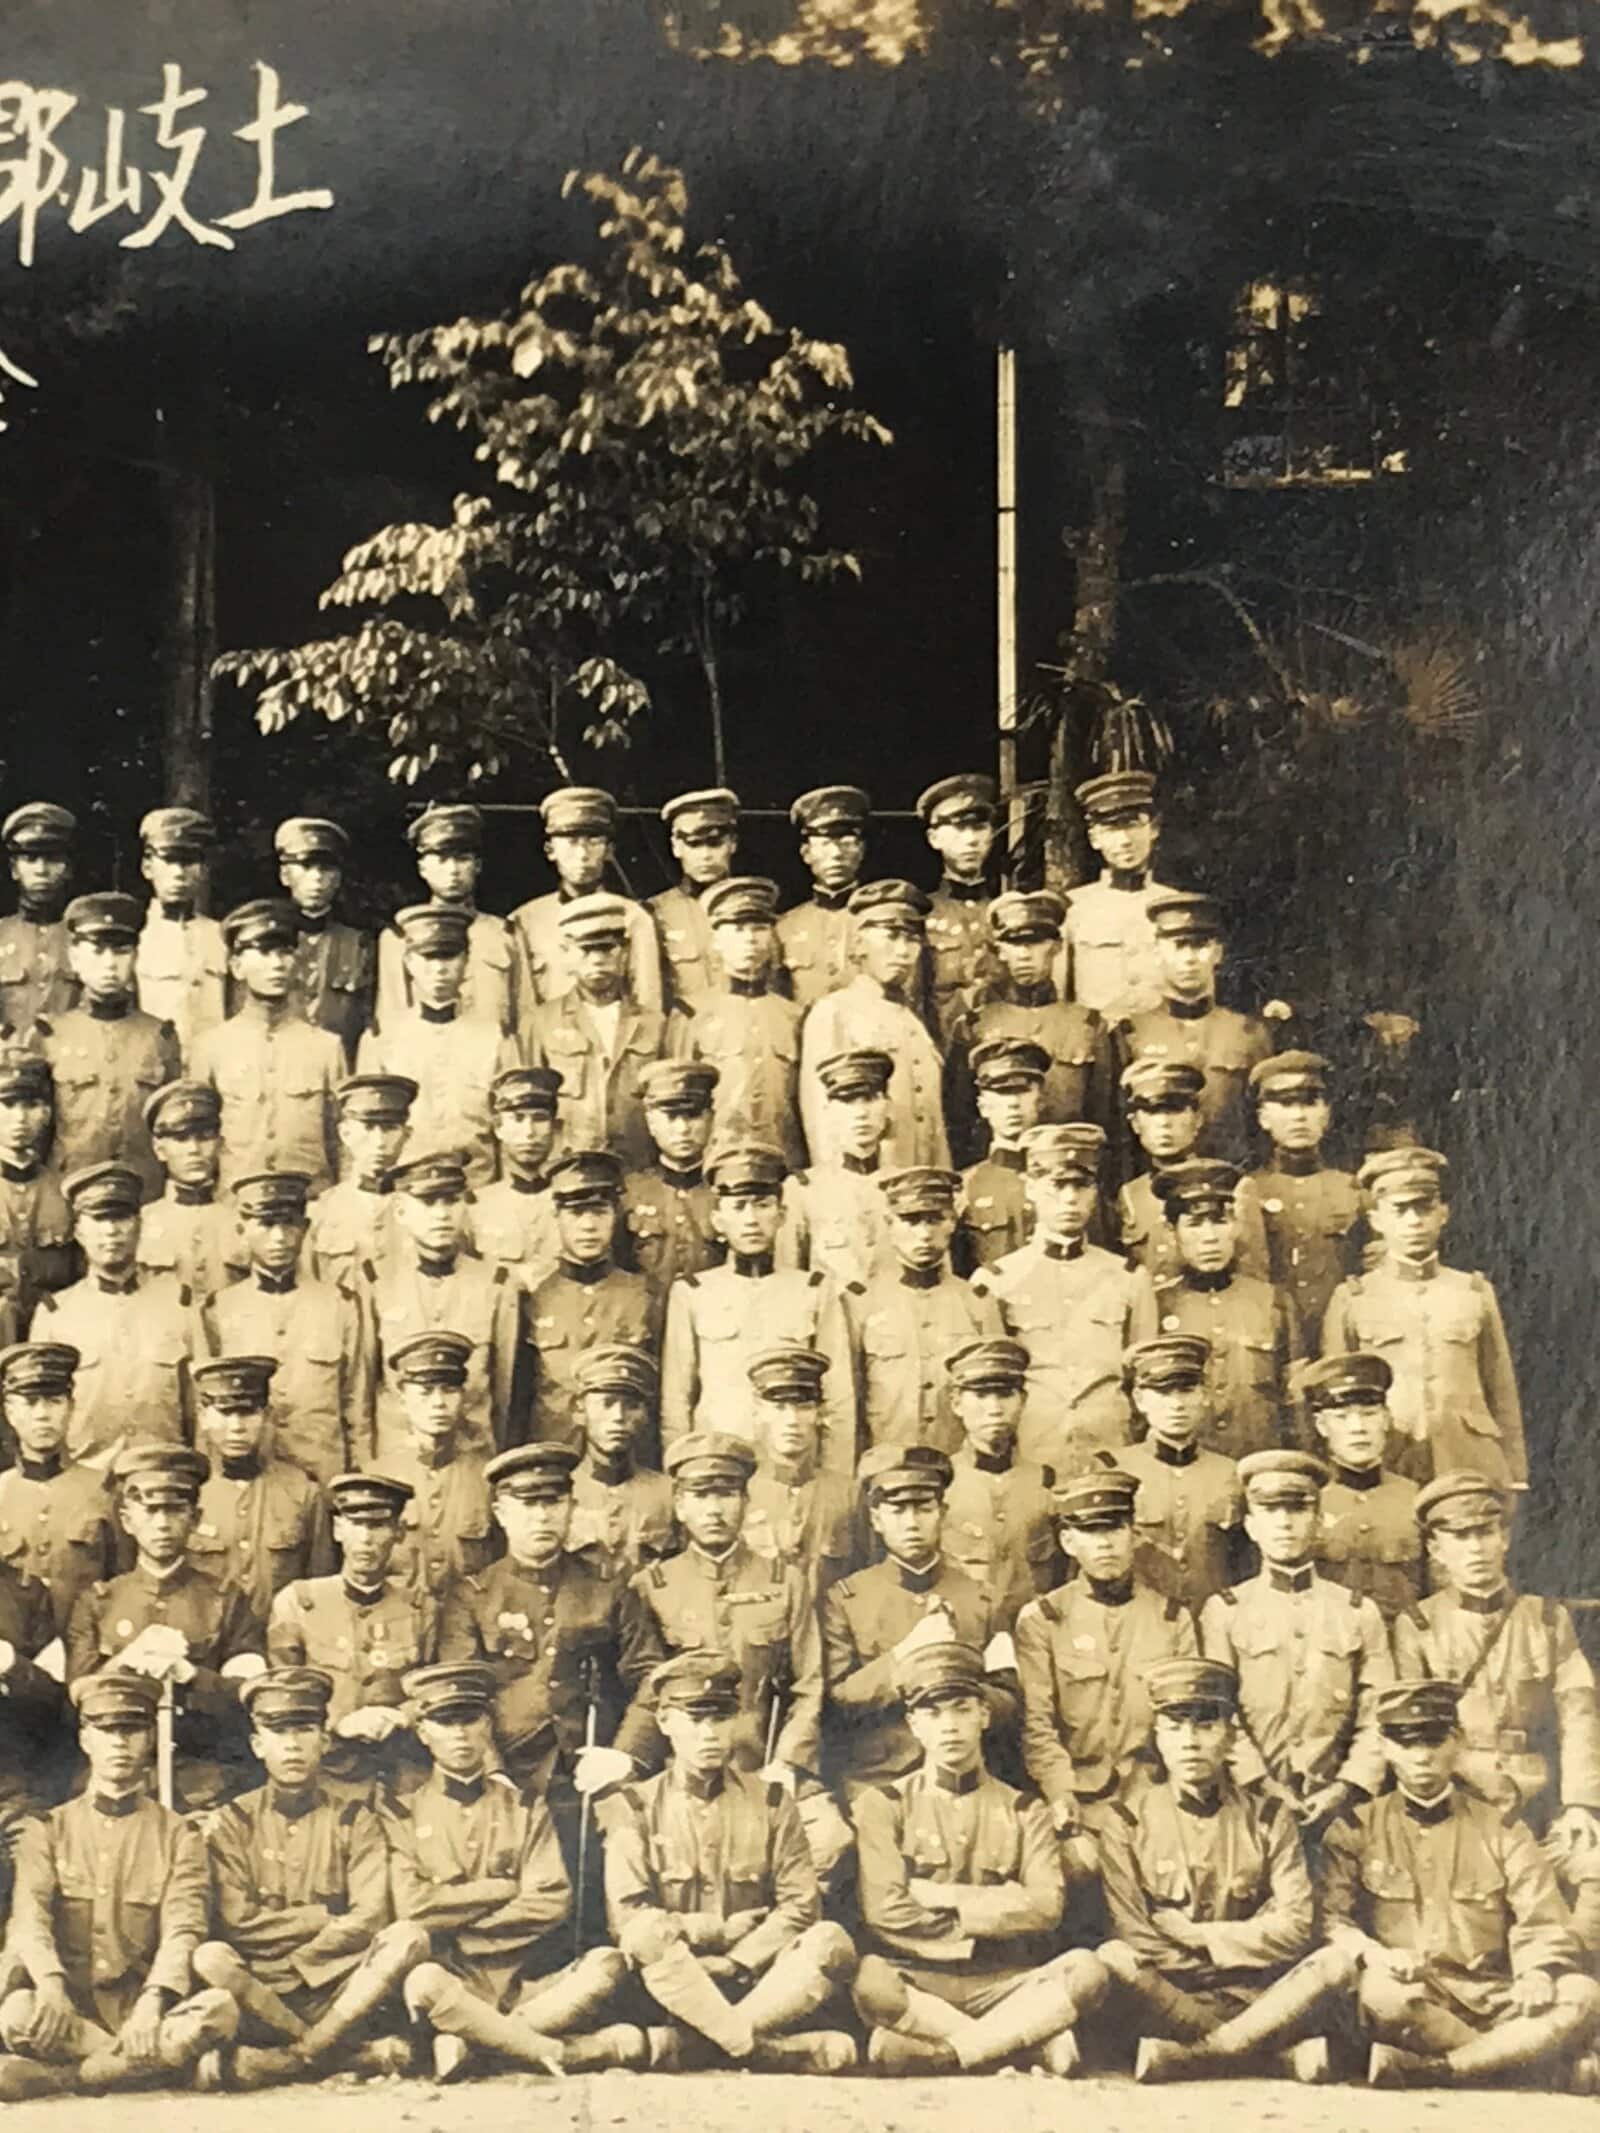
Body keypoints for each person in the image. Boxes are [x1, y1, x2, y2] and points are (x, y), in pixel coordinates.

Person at [1321, 1676, 1600, 2089]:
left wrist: (1537, 1972)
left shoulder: (1504, 1828)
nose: (1421, 1757)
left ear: (1457, 1742)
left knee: (1581, 1993)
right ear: (1384, 1747)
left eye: (1433, 1740)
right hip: (1413, 1992)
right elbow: (1332, 1921)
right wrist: (1375, 1954)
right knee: (1379, 1996)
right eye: (1405, 1741)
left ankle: (1438, 2070)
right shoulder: (1355, 1829)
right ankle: (1531, 2064)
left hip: (1492, 1993)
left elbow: (1539, 1915)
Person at [851, 1638, 1105, 2075]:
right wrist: (998, 1904)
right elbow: (885, 1911)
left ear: (984, 1715)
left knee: (1088, 1972)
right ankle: (1020, 2045)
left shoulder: (1025, 1809)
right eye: (933, 1713)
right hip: (920, 1976)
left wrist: (936, 1895)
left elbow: (1046, 1909)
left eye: (962, 1709)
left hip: (1006, 1978)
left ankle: (946, 2054)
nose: (949, 1726)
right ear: (914, 1724)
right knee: (870, 1982)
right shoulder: (884, 1804)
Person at [597, 1650, 859, 2071]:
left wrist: (737, 1962)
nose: (709, 1734)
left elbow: (801, 1906)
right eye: (695, 1720)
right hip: (678, 1981)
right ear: (664, 1722)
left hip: (757, 1981)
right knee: (644, 1932)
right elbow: (628, 1916)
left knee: (830, 1942)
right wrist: (708, 1934)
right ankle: (761, 2050)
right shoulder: (633, 1805)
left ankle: (700, 2043)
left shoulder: (773, 1802)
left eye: (720, 1718)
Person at [1089, 1657, 1336, 2084]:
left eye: (1206, 1725)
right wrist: (1215, 1963)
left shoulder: (1269, 1817)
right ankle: (1266, 2056)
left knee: (1335, 1964)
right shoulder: (1126, 1819)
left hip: (1254, 1992)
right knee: (1114, 1958)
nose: (1190, 1741)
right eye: (1175, 1726)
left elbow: (1297, 1926)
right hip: (1169, 1995)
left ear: (1231, 1736)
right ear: (1158, 1738)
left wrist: (1201, 1937)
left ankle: (1199, 2055)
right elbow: (1133, 1932)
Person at [0, 1668, 239, 2103]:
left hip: (145, 2011)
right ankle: (154, 2066)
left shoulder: (179, 1834)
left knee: (218, 2010)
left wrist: (153, 2002)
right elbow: (29, 1919)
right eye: (105, 1730)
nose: (119, 1743)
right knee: (16, 2013)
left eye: (131, 1730)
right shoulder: (47, 1830)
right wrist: (51, 1987)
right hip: (73, 2013)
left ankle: (68, 2080)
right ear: (85, 1739)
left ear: (149, 1739)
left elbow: (184, 1929)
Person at [192, 1664, 419, 2090]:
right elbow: (238, 1920)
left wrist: (304, 1962)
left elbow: (370, 1916)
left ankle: (296, 2057)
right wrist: (321, 1918)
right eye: (279, 1732)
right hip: (262, 1988)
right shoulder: (233, 1822)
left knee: (407, 1937)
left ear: (325, 1740)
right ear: (259, 1745)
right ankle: (342, 2053)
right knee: (211, 1958)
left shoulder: (356, 1819)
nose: (293, 1746)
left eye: (304, 1730)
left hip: (339, 1984)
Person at [382, 1660, 607, 2081]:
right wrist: (504, 1888)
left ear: (488, 1725)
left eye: (470, 1718)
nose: (460, 1733)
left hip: (520, 1985)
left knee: (606, 1965)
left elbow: (551, 1900)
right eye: (444, 1721)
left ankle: (481, 2039)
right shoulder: (401, 1813)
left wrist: (460, 1928)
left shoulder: (525, 1807)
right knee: (424, 1981)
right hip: (448, 1977)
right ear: (423, 1732)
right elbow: (413, 1907)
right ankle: (537, 2047)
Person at [437, 1440, 658, 1814]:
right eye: (527, 1504)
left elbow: (650, 1676)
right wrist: (491, 1770)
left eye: (553, 1502)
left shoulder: (608, 1587)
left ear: (571, 1508)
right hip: (510, 1776)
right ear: (500, 1513)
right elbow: (461, 1695)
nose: (542, 1517)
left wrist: (625, 1755)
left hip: (596, 1774)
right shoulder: (473, 1596)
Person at [1200, 1449, 1394, 1848]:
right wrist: (1262, 1784)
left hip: (1340, 1808)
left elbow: (1378, 1716)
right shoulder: (1225, 1611)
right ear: (1251, 1527)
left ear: (1318, 1522)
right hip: (1250, 1805)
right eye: (1270, 1512)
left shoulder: (1357, 1612)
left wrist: (1345, 1788)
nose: (1285, 1523)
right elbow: (1220, 1715)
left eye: (1297, 1510)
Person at [1394, 1470, 1600, 1840]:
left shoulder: (1549, 1619)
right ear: (1435, 1550)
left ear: (1503, 1539)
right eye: (1459, 1536)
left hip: (1541, 1798)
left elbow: (1579, 1714)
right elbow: (1417, 1734)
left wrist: (1580, 1805)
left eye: (1485, 1533)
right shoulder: (1417, 1626)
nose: (1475, 1548)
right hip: (1458, 1796)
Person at [65, 1443, 265, 1810]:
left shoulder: (226, 1600)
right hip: (119, 1787)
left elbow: (249, 1701)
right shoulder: (98, 1601)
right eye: (150, 1510)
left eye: (175, 1510)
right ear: (127, 1519)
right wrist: (125, 1662)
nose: (161, 1524)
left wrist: (191, 1675)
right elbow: (76, 1700)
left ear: (194, 1517)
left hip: (206, 1786)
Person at [628, 1433, 825, 1799]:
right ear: (680, 1506)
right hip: (678, 1781)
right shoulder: (651, 1586)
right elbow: (643, 1694)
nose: (714, 1510)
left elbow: (809, 1687)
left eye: (726, 1494)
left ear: (746, 1502)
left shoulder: (785, 1582)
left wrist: (787, 1763)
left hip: (766, 1771)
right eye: (701, 1496)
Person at [1014, 1465, 1197, 1853]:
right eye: (1090, 1532)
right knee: (1080, 1864)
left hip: (1155, 1798)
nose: (1104, 1544)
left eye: (1114, 1529)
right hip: (1080, 1802)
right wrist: (1061, 1795)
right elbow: (1038, 1726)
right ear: (1067, 1541)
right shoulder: (1043, 1619)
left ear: (1134, 1535)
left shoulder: (1172, 1619)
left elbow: (1186, 1721)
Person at [1322, 1146, 1525, 1488]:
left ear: (1443, 1213)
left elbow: (1501, 1389)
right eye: (1400, 1211)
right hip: (1393, 1459)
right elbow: (1336, 1400)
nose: (1414, 1221)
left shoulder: (1474, 1292)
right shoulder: (1354, 1298)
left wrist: (1515, 1472)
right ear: (1377, 1221)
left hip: (1468, 1458)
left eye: (1424, 1208)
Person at [822, 1444, 1014, 1796]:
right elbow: (838, 1702)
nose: (911, 1522)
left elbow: (1008, 1700)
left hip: (966, 1782)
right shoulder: (848, 1599)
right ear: (877, 1519)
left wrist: (951, 1681)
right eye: (897, 1511)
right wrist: (907, 1654)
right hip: (878, 1781)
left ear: (942, 1512)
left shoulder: (983, 1599)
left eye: (923, 1508)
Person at [971, 1123, 1155, 1472]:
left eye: (1081, 1185)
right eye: (1057, 1185)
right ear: (1031, 1188)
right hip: (1034, 1450)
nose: (1070, 1199)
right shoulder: (998, 1279)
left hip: (1111, 1448)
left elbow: (1142, 1378)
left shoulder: (1128, 1277)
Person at [660, 1140, 853, 1464]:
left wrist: (836, 1480)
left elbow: (839, 1400)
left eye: (762, 1205)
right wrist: (682, 1472)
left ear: (781, 1215)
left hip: (792, 1467)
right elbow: (676, 1403)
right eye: (738, 1207)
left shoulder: (813, 1289)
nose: (751, 1219)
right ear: (718, 1220)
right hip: (717, 1466)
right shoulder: (693, 1293)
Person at [267, 1471, 442, 1799]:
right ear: (337, 1530)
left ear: (399, 1532)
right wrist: (339, 1723)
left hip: (402, 1777)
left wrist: (400, 1715)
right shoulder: (300, 1602)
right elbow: (284, 1692)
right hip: (325, 1776)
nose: (366, 1539)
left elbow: (437, 1690)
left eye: (378, 1526)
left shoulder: (421, 1608)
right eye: (356, 1525)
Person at [202, 1171, 370, 1485]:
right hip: (252, 1481)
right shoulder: (220, 1309)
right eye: (266, 1225)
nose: (279, 1238)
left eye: (289, 1224)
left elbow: (356, 1405)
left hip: (321, 1475)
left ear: (305, 1229)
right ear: (243, 1230)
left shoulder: (340, 1305)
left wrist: (357, 1474)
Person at [365, 1145, 524, 1462]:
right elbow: (363, 1386)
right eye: (427, 1202)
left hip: (472, 1455)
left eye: (451, 1201)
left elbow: (505, 1391)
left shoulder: (496, 1283)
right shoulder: (376, 1282)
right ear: (400, 1211)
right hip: (398, 1460)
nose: (441, 1214)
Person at [34, 1162, 195, 1463]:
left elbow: (198, 1408)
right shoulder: (55, 1314)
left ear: (139, 1224)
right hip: (87, 1482)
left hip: (164, 1483)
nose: (111, 1231)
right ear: (79, 1231)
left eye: (120, 1217)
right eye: (98, 1219)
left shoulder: (178, 1304)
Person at [844, 1164, 1004, 1459]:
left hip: (957, 1466)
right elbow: (848, 1398)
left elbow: (996, 1394)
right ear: (889, 1224)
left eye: (934, 1220)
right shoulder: (860, 1302)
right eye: (911, 1221)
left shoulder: (977, 1300)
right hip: (887, 1465)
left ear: (952, 1222)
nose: (925, 1234)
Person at [1149, 1157, 1303, 1461]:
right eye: (1194, 1224)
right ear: (1172, 1231)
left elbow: (1295, 1402)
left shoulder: (1271, 1300)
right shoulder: (1156, 1305)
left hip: (1261, 1467)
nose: (1210, 1237)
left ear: (1235, 1226)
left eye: (1220, 1221)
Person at [357, 903, 519, 1189]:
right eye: (427, 957)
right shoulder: (382, 1038)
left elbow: (511, 1125)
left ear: (466, 960)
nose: (439, 969)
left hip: (478, 1188)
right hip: (406, 1190)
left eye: (449, 957)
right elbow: (364, 1133)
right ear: (408, 962)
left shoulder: (495, 1036)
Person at [944, 891, 1111, 1168]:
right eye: (1014, 943)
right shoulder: (974, 1026)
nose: (1024, 954)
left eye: (1035, 942)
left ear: (1056, 946)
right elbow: (960, 1121)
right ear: (1000, 950)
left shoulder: (1088, 1025)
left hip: (1070, 1171)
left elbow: (1105, 1117)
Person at [191, 900, 344, 1196]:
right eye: (263, 952)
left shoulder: (326, 1047)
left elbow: (341, 1142)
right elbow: (199, 1144)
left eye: (284, 952)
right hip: (237, 1207)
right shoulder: (210, 1048)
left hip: (309, 1205)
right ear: (236, 967)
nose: (276, 964)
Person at [799, 881, 951, 1171]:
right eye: (891, 937)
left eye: (912, 940)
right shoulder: (834, 1013)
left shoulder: (913, 1020)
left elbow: (932, 1122)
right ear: (859, 944)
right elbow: (821, 1119)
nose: (903, 951)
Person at [39, 891, 179, 1200]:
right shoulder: (51, 1036)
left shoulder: (160, 1036)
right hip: (70, 1196)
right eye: (97, 951)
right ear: (75, 957)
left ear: (136, 957)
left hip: (142, 1197)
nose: (109, 964)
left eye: (121, 951)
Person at [1116, 893, 1273, 1166]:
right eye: (1178, 945)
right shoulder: (1132, 1032)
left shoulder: (1248, 1032)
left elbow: (1261, 1123)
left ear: (1218, 952)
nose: (1189, 958)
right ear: (1157, 953)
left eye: (1200, 945)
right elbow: (1120, 1128)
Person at [525, 894, 673, 1171]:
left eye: (607, 949)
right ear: (567, 953)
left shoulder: (654, 1023)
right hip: (570, 1170)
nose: (598, 961)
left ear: (625, 951)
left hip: (638, 1168)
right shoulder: (541, 1022)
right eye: (586, 950)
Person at [525, 1149, 660, 1449]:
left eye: (599, 1212)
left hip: (626, 1458)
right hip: (555, 1454)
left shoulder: (644, 1294)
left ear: (615, 1215)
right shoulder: (533, 1297)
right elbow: (518, 1396)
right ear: (556, 1217)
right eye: (576, 1213)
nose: (588, 1226)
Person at [674, 876, 806, 1170]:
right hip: (718, 1163)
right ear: (717, 941)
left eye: (759, 928)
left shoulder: (793, 1016)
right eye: (737, 929)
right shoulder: (692, 1013)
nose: (750, 939)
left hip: (782, 1160)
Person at [190, 1355, 333, 1621]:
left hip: (280, 1649)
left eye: (247, 1413)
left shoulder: (302, 1493)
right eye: (224, 1413)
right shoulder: (188, 1493)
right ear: (202, 1416)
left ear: (266, 1415)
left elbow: (321, 1593)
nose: (236, 1427)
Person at [1117, 1336, 1245, 1613]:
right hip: (1143, 1627)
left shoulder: (1231, 1473)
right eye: (1163, 1392)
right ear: (1139, 1399)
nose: (1176, 1405)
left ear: (1204, 1395)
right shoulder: (1115, 1471)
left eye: (1187, 1390)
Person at [0, 1340, 119, 1637]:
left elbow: (123, 1584)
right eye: (30, 1402)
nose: (42, 1415)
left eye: (54, 1401)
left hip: (86, 1655)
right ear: (10, 1412)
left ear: (71, 1407)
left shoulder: (105, 1491)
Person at [1117, 1058, 1269, 1284]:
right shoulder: (1131, 1194)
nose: (1164, 1124)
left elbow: (1251, 1281)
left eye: (1175, 1111)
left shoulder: (1233, 1187)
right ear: (1136, 1124)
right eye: (1151, 1113)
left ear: (1197, 1119)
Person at [510, 785, 663, 1010]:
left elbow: (648, 1002)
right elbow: (524, 1010)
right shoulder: (525, 921)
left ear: (609, 850)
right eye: (571, 841)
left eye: (593, 841)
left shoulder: (633, 917)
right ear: (550, 849)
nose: (582, 854)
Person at [374, 801, 518, 1036]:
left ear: (477, 865)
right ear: (422, 868)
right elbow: (392, 1020)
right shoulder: (400, 937)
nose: (453, 870)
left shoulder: (505, 933)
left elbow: (522, 1015)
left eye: (462, 859)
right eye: (441, 860)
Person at [940, 1337, 1056, 1627]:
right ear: (956, 1403)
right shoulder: (941, 1483)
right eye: (980, 1396)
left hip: (1031, 1639)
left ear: (1023, 1400)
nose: (994, 1408)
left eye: (1005, 1395)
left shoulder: (1046, 1482)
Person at [1247, 1052, 1362, 1345]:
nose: (1298, 1116)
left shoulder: (1353, 1189)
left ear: (1327, 1113)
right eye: (1285, 1104)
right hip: (1274, 1340)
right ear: (1263, 1118)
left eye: (1310, 1103)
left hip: (1341, 1338)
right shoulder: (1248, 1191)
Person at [1302, 1351, 1421, 1619]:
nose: (1358, 1428)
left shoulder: (1415, 1498)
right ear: (1322, 1425)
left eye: (1369, 1414)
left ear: (1387, 1419)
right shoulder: (1306, 1501)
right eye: (1342, 1417)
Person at [741, 1343, 864, 1598]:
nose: (792, 1421)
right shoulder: (740, 1492)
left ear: (820, 1413)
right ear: (757, 1410)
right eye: (779, 1407)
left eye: (803, 1407)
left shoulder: (849, 1495)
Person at [383, 1331, 496, 1594]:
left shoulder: (489, 1478)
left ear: (463, 1397)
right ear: (403, 1401)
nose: (438, 1403)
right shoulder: (379, 1476)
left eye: (449, 1391)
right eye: (425, 1392)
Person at [777, 1047, 898, 1290]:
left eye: (871, 1099)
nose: (861, 1113)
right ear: (829, 1111)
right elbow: (788, 1280)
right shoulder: (803, 1190)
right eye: (847, 1101)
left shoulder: (906, 1186)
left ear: (887, 1106)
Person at [1061, 770, 1174, 1021]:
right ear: (1094, 838)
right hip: (1096, 1046)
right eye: (1111, 828)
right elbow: (1060, 1003)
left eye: (1133, 824)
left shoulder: (1174, 906)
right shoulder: (1073, 908)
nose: (1124, 840)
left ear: (1153, 828)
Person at [567, 1345, 676, 1579]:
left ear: (646, 1415)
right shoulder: (561, 1494)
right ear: (579, 1411)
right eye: (607, 1403)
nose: (618, 1417)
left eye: (631, 1406)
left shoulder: (669, 1494)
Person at [274, 817, 376, 1063]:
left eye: (327, 869)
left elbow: (369, 1022)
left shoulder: (359, 944)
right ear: (285, 875)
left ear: (339, 878)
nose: (317, 878)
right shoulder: (269, 944)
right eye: (306, 867)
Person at [133, 806, 228, 1062]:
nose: (178, 873)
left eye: (188, 862)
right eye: (168, 860)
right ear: (148, 867)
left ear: (202, 870)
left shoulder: (220, 936)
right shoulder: (134, 935)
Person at [620, 1061, 722, 1289]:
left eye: (693, 1116)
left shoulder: (725, 1194)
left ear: (710, 1118)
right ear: (651, 1122)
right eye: (671, 1117)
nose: (683, 1129)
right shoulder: (627, 1195)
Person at [915, 773, 1001, 1047]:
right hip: (943, 1047)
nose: (971, 840)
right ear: (934, 838)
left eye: (979, 828)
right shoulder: (921, 914)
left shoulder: (1006, 911)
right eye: (958, 829)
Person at [307, 1072, 416, 1284]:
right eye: (367, 1127)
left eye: (390, 1128)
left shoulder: (426, 1207)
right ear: (345, 1134)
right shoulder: (321, 1211)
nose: (379, 1141)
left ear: (406, 1134)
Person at [137, 1079, 243, 1299]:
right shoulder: (141, 1223)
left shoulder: (243, 1221)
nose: (194, 1149)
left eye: (204, 1138)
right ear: (160, 1149)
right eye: (181, 1139)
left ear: (220, 1144)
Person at [952, 1036, 1047, 1273]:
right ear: (983, 1107)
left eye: (1023, 1091)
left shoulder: (1064, 1182)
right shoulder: (964, 1188)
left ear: (1040, 1100)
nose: (1013, 1104)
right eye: (1003, 1093)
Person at [468, 1066, 563, 1290]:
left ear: (555, 1127)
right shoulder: (475, 1206)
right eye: (518, 1119)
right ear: (499, 1129)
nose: (529, 1132)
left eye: (539, 1119)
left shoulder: (574, 1203)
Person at [649, 788, 743, 1009]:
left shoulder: (753, 907)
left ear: (732, 843)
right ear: (676, 847)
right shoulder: (655, 913)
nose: (705, 855)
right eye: (694, 844)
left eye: (715, 843)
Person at [776, 784, 869, 1008]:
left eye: (846, 843)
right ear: (807, 854)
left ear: (861, 850)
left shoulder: (879, 921)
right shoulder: (785, 927)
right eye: (825, 844)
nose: (836, 854)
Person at [0, 1048, 72, 1319]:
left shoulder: (65, 1191)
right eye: (7, 1105)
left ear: (46, 1113)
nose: (20, 1119)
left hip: (51, 1326)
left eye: (31, 1105)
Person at [0, 801, 78, 1031]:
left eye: (52, 859)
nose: (41, 870)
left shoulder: (86, 940)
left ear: (69, 868)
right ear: (15, 869)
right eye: (30, 859)